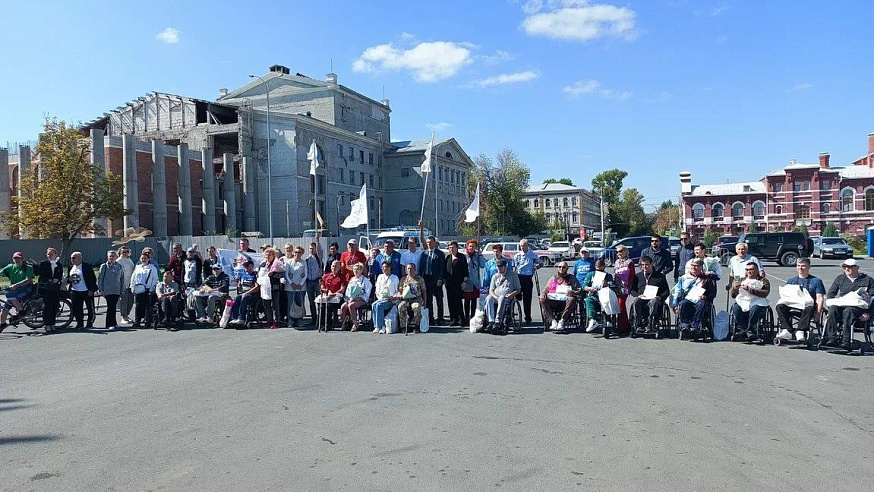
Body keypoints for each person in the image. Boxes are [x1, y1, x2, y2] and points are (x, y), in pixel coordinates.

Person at [823, 258, 874, 350]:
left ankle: (846, 341)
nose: (847, 268)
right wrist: (829, 308)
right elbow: (831, 294)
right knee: (833, 309)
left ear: (857, 268)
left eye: (850, 267)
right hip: (842, 305)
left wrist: (869, 314)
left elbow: (873, 298)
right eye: (845, 267)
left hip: (858, 307)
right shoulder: (840, 278)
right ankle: (831, 338)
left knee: (849, 311)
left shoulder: (868, 280)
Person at [776, 258, 825, 342]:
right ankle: (786, 330)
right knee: (780, 306)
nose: (800, 268)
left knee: (810, 307)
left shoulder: (816, 281)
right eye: (798, 265)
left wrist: (818, 313)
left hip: (808, 306)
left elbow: (820, 298)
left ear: (809, 267)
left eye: (803, 266)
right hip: (793, 304)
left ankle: (800, 331)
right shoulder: (791, 281)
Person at [671, 258, 717, 337]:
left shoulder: (706, 279)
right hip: (688, 299)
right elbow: (677, 292)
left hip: (701, 300)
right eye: (692, 266)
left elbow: (713, 294)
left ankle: (695, 326)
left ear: (701, 267)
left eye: (696, 266)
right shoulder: (684, 278)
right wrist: (674, 305)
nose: (693, 268)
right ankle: (685, 326)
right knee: (683, 303)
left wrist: (705, 297)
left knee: (701, 304)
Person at [729, 262, 771, 341]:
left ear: (757, 270)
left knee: (755, 308)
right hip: (743, 301)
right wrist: (735, 288)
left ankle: (749, 329)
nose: (749, 271)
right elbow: (733, 295)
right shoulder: (741, 280)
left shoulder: (764, 281)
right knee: (736, 308)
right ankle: (746, 329)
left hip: (757, 301)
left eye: (751, 269)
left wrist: (750, 290)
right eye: (747, 269)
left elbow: (765, 293)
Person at [629, 255, 671, 334]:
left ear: (652, 264)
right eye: (643, 265)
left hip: (655, 300)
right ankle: (638, 324)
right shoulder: (638, 276)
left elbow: (666, 291)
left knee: (654, 301)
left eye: (647, 264)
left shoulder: (660, 276)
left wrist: (659, 297)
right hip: (642, 299)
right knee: (636, 300)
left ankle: (651, 323)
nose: (645, 266)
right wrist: (637, 295)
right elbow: (633, 290)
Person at [539, 261, 581, 332]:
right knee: (542, 299)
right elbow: (546, 289)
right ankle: (552, 321)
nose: (561, 268)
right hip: (554, 301)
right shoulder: (553, 278)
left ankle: (562, 321)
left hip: (566, 302)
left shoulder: (572, 278)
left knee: (572, 299)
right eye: (560, 267)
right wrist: (543, 294)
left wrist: (573, 292)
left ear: (567, 268)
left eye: (564, 267)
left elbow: (579, 290)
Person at [418, 224, 446, 325]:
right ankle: (430, 318)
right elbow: (421, 267)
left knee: (439, 299)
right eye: (428, 242)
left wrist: (440, 279)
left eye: (431, 242)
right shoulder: (424, 254)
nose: (429, 244)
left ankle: (440, 318)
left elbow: (442, 267)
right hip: (426, 279)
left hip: (436, 279)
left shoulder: (440, 254)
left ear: (435, 243)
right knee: (428, 299)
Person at [0, 252, 35, 330]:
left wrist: (16, 285)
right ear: (12, 259)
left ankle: (22, 312)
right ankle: (3, 324)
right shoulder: (10, 267)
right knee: (4, 310)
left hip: (26, 288)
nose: (17, 260)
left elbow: (28, 280)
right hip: (14, 291)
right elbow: (1, 274)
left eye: (19, 258)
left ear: (23, 259)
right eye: (15, 258)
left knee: (9, 295)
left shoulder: (28, 267)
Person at [485, 259, 521, 335]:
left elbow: (518, 289)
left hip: (507, 297)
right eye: (498, 267)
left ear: (505, 267)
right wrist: (495, 296)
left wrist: (512, 295)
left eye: (501, 267)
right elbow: (491, 290)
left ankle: (498, 321)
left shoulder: (513, 275)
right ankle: (491, 321)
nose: (499, 268)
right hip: (496, 297)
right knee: (489, 298)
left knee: (502, 298)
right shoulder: (495, 276)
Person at [513, 238, 542, 325]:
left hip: (528, 278)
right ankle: (518, 297)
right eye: (521, 246)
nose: (522, 247)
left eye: (524, 246)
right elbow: (514, 267)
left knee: (527, 299)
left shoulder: (532, 255)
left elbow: (541, 263)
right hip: (519, 277)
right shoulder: (517, 256)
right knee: (516, 294)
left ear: (527, 246)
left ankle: (528, 317)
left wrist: (535, 268)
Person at [67, 251, 97, 330]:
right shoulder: (71, 267)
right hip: (75, 291)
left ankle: (90, 323)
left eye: (73, 258)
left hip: (86, 290)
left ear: (79, 258)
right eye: (71, 258)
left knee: (90, 308)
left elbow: (93, 279)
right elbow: (68, 279)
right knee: (77, 308)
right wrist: (68, 280)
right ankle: (80, 323)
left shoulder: (86, 267)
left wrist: (91, 290)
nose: (72, 260)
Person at [583, 259, 615, 333]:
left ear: (604, 267)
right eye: (597, 270)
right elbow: (584, 286)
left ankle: (608, 320)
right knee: (588, 300)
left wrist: (607, 284)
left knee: (607, 300)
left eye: (600, 270)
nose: (599, 272)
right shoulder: (590, 274)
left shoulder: (608, 276)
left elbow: (612, 285)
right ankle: (592, 320)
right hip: (594, 295)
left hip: (605, 296)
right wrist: (590, 288)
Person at [338, 263, 372, 332]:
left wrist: (358, 298)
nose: (355, 271)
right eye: (354, 269)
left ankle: (355, 324)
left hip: (361, 299)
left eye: (357, 269)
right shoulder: (352, 279)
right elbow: (348, 291)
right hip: (351, 299)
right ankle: (345, 323)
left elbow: (367, 292)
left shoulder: (365, 280)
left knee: (351, 305)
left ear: (361, 270)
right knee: (343, 306)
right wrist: (348, 299)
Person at [37, 247, 64, 331]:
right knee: (47, 307)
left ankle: (52, 324)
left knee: (54, 307)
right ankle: (47, 324)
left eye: (52, 254)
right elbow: (38, 273)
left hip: (54, 289)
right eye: (48, 254)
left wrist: (57, 279)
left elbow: (60, 275)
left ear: (56, 255)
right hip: (45, 289)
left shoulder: (59, 265)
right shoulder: (43, 263)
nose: (50, 256)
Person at [97, 250, 125, 331]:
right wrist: (101, 289)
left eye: (113, 256)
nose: (111, 258)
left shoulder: (119, 266)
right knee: (111, 306)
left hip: (116, 290)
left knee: (113, 307)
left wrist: (122, 289)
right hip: (108, 291)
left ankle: (114, 323)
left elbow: (122, 278)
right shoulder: (104, 266)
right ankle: (109, 324)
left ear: (116, 257)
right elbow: (100, 279)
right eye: (110, 256)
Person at [444, 241, 470, 326]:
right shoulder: (448, 257)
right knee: (450, 302)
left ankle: (461, 320)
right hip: (449, 284)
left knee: (458, 302)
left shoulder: (462, 257)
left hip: (459, 283)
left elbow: (465, 271)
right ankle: (454, 320)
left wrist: (464, 282)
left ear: (457, 248)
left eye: (453, 247)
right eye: (450, 248)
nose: (451, 249)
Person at [316, 260, 348, 329]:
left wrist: (333, 294)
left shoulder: (342, 277)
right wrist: (327, 292)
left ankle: (328, 324)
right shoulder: (326, 276)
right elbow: (322, 287)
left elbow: (342, 289)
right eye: (333, 266)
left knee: (329, 305)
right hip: (327, 295)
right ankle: (321, 324)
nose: (334, 268)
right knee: (321, 304)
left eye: (336, 266)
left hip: (337, 296)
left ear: (339, 268)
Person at [130, 252, 159, 328]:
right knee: (138, 306)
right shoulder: (138, 267)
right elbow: (133, 278)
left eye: (145, 258)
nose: (143, 260)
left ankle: (148, 321)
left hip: (147, 290)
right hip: (139, 290)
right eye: (142, 258)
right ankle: (137, 322)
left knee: (147, 306)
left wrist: (151, 288)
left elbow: (155, 279)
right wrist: (132, 287)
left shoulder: (152, 268)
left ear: (148, 259)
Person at [611, 244, 635, 334]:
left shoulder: (629, 262)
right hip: (616, 286)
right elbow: (615, 273)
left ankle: (622, 327)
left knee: (620, 305)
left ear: (626, 252)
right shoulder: (616, 262)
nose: (619, 253)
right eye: (617, 252)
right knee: (618, 306)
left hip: (625, 287)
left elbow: (632, 275)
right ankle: (624, 324)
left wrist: (628, 283)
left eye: (621, 251)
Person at [397, 263, 426, 332]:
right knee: (401, 306)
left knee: (416, 306)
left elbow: (424, 291)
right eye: (408, 269)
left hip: (416, 299)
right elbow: (399, 291)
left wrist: (425, 303)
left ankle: (414, 325)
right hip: (405, 299)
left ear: (415, 269)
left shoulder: (419, 279)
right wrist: (399, 295)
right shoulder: (403, 279)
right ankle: (404, 326)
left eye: (411, 268)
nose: (409, 270)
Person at [228, 260, 259, 328]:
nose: (245, 267)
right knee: (237, 298)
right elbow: (239, 283)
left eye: (247, 265)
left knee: (244, 297)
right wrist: (239, 286)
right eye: (244, 266)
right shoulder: (242, 274)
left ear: (251, 266)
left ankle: (241, 318)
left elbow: (257, 288)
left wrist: (247, 292)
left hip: (252, 294)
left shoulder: (255, 275)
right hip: (243, 292)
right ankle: (235, 318)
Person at [372, 261, 399, 334]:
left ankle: (383, 326)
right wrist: (381, 297)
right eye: (383, 267)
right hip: (381, 298)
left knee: (379, 305)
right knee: (374, 304)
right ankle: (377, 326)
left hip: (391, 300)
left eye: (386, 267)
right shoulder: (380, 277)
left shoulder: (394, 277)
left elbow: (397, 291)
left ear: (390, 268)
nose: (384, 268)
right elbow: (377, 290)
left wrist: (393, 297)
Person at [260, 247, 284, 328]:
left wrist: (273, 274)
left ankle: (276, 321)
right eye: (266, 255)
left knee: (275, 305)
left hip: (275, 287)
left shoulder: (277, 264)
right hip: (265, 288)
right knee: (266, 305)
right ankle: (269, 321)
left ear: (273, 255)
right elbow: (259, 274)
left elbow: (282, 274)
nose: (267, 257)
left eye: (269, 255)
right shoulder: (263, 264)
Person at [284, 245, 308, 328]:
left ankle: (300, 320)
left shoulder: (304, 262)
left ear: (302, 254)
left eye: (299, 252)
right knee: (290, 304)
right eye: (296, 252)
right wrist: (292, 283)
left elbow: (306, 274)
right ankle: (290, 321)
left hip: (301, 287)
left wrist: (300, 284)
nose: (297, 254)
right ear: (293, 253)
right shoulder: (289, 262)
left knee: (300, 303)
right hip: (290, 287)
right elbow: (286, 274)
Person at [463, 240, 486, 322]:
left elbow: (483, 265)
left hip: (475, 281)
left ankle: (472, 317)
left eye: (473, 246)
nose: (471, 248)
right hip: (467, 281)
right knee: (466, 300)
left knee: (473, 300)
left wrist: (480, 254)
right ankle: (466, 317)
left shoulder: (477, 256)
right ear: (467, 247)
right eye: (470, 246)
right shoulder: (464, 256)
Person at [304, 239, 324, 325]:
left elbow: (320, 251)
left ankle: (321, 319)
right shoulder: (307, 259)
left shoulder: (318, 258)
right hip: (309, 282)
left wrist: (318, 241)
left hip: (317, 281)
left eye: (313, 248)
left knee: (319, 301)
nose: (311, 250)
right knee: (311, 302)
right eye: (310, 248)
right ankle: (314, 319)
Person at [116, 246, 135, 325]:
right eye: (123, 252)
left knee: (130, 301)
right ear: (120, 252)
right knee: (124, 301)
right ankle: (123, 316)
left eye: (127, 251)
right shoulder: (118, 261)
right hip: (122, 285)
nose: (125, 253)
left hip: (130, 284)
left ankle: (127, 315)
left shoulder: (130, 261)